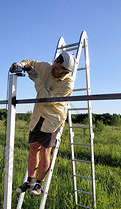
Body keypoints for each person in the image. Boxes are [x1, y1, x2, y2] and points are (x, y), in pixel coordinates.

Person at [10, 52, 76, 195]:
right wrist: (20, 65)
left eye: (57, 69)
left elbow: (47, 99)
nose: (53, 70)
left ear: (66, 71)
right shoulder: (47, 67)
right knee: (33, 147)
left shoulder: (68, 84)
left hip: (53, 118)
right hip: (38, 114)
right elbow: (29, 61)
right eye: (54, 66)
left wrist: (36, 79)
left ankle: (39, 184)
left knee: (45, 149)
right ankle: (30, 181)